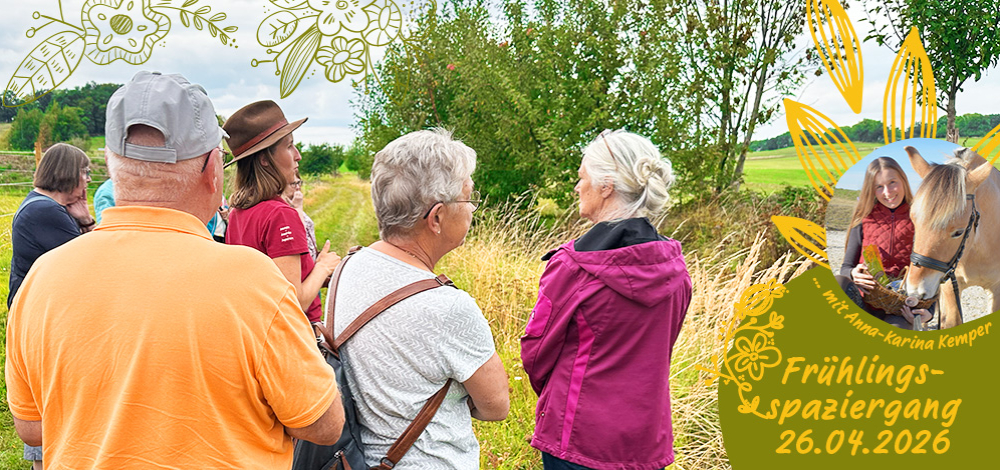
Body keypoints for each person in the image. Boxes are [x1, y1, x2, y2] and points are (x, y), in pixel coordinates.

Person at [5, 71, 344, 468]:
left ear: (113, 167)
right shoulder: (254, 282)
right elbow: (323, 425)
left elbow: (30, 426)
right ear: (212, 169)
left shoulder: (44, 277)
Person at [329, 128, 509, 469]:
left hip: (360, 461)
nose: (472, 209)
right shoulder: (448, 307)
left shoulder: (348, 267)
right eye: (468, 197)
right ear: (437, 217)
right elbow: (496, 406)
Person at [521, 129, 692, 470]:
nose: (576, 186)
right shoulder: (675, 269)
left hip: (578, 437)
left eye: (581, 177)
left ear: (606, 186)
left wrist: (558, 399)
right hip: (647, 441)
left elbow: (536, 353)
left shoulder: (572, 267)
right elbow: (659, 350)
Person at [7, 142, 94, 469]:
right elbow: (94, 264)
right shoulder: (45, 211)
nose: (87, 181)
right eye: (84, 172)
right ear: (67, 173)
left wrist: (84, 221)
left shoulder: (43, 208)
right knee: (49, 409)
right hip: (45, 325)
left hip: (41, 320)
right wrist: (86, 225)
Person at [224, 101, 339, 323]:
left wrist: (314, 274)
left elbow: (265, 285)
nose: (298, 155)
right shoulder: (280, 215)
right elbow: (292, 302)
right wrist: (323, 267)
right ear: (265, 159)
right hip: (298, 339)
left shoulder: (239, 212)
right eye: (289, 146)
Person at [836, 156, 931, 329]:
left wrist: (929, 312)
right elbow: (845, 267)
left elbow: (934, 270)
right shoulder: (863, 217)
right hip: (864, 302)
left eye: (892, 182)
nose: (888, 192)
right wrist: (853, 274)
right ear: (871, 190)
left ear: (903, 180)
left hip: (900, 308)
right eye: (879, 187)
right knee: (838, 282)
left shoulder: (920, 217)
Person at [283, 177, 318, 259]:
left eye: (299, 182)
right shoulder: (283, 211)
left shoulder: (294, 204)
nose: (298, 187)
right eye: (293, 184)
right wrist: (298, 207)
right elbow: (300, 235)